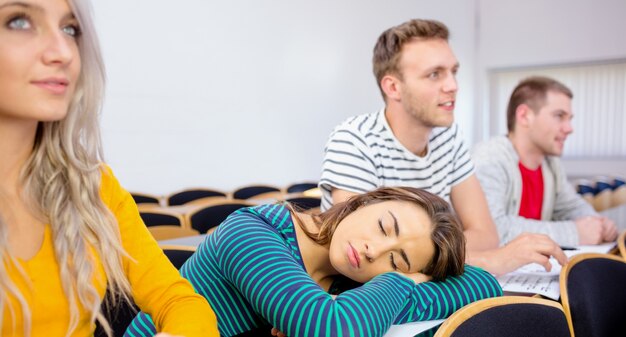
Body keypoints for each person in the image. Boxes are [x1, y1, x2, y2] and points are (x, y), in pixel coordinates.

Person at [0, 0, 218, 335]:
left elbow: (182, 302)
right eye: (18, 22)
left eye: (70, 29)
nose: (64, 53)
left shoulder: (92, 185)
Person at [319, 18, 567, 275]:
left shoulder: (448, 138)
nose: (453, 86)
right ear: (394, 87)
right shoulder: (355, 140)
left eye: (453, 72)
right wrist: (492, 260)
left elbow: (485, 233)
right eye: (434, 74)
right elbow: (364, 263)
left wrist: (431, 257)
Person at [125, 187, 502, 337]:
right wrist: (402, 282)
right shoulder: (252, 231)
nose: (373, 250)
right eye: (384, 226)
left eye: (397, 260)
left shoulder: (349, 279)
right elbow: (330, 329)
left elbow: (484, 284)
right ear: (363, 202)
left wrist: (384, 289)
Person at [472, 76, 618, 246]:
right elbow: (492, 231)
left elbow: (571, 206)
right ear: (524, 116)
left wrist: (599, 224)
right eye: (559, 116)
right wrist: (574, 233)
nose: (569, 128)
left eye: (570, 119)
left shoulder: (551, 165)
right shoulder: (489, 158)